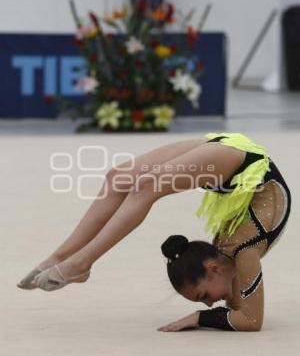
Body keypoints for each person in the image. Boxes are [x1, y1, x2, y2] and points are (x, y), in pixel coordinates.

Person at [17, 133, 291, 332]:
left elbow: (240, 310)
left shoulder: (226, 256)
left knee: (121, 178)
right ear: (212, 268)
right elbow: (251, 320)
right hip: (244, 163)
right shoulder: (244, 254)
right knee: (138, 185)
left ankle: (65, 258)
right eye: (203, 297)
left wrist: (201, 317)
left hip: (232, 152)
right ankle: (77, 261)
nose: (209, 304)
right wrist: (201, 318)